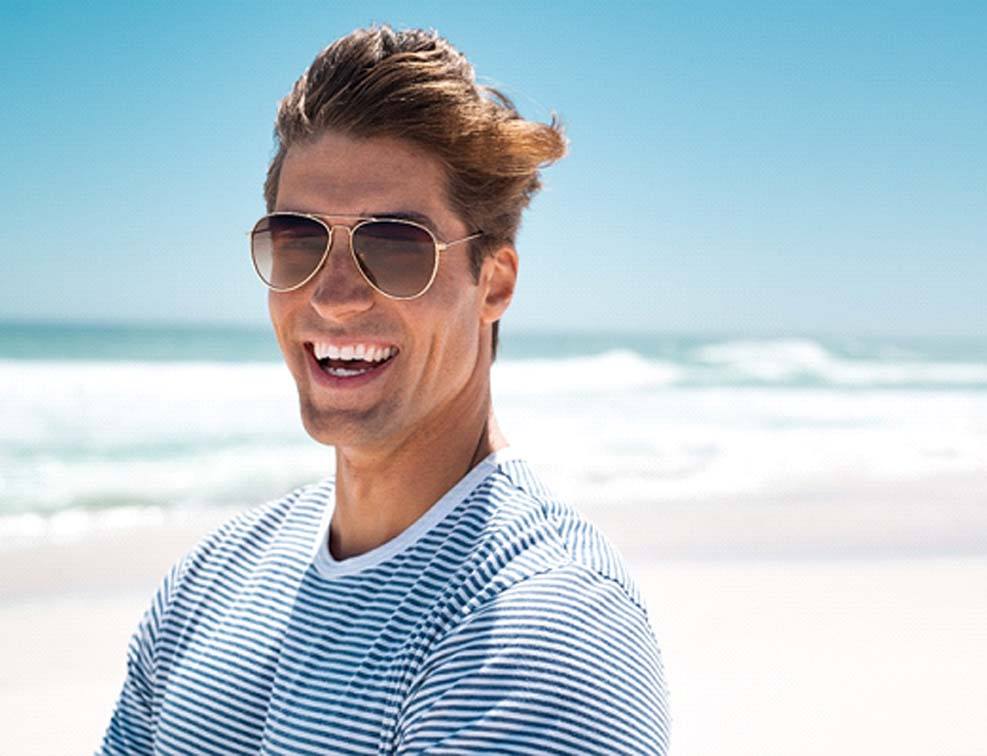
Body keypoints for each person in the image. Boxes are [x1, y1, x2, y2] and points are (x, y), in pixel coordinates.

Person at [100, 24, 669, 755]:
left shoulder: (540, 624)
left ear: (492, 283)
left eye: (395, 249)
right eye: (299, 242)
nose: (334, 297)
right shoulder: (212, 580)